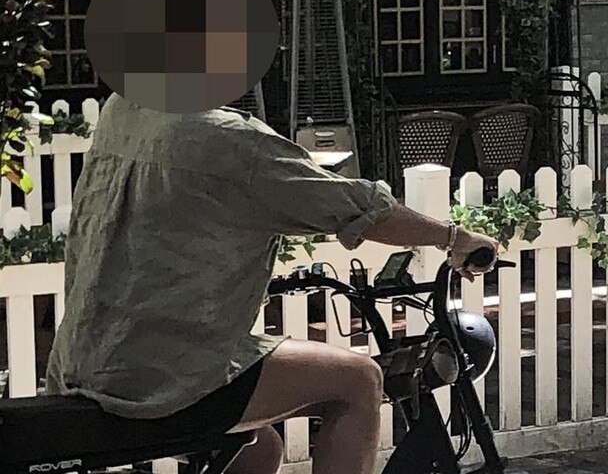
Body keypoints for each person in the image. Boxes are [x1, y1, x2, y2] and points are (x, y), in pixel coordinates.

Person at [45, 93, 499, 474]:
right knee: (360, 380)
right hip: (165, 381)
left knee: (259, 449)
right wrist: (456, 238)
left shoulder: (123, 108)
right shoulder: (234, 142)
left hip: (84, 364)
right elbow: (355, 206)